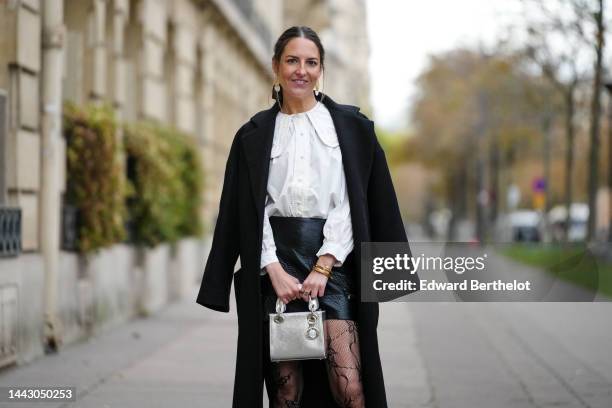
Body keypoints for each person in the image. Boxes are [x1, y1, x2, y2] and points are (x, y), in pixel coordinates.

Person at [197, 26, 413, 408]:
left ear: (321, 68)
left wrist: (325, 264)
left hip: (335, 267)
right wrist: (272, 268)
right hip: (275, 271)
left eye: (311, 62)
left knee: (350, 389)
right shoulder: (253, 134)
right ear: (277, 66)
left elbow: (353, 201)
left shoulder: (351, 128)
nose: (302, 70)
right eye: (292, 60)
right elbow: (249, 209)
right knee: (286, 392)